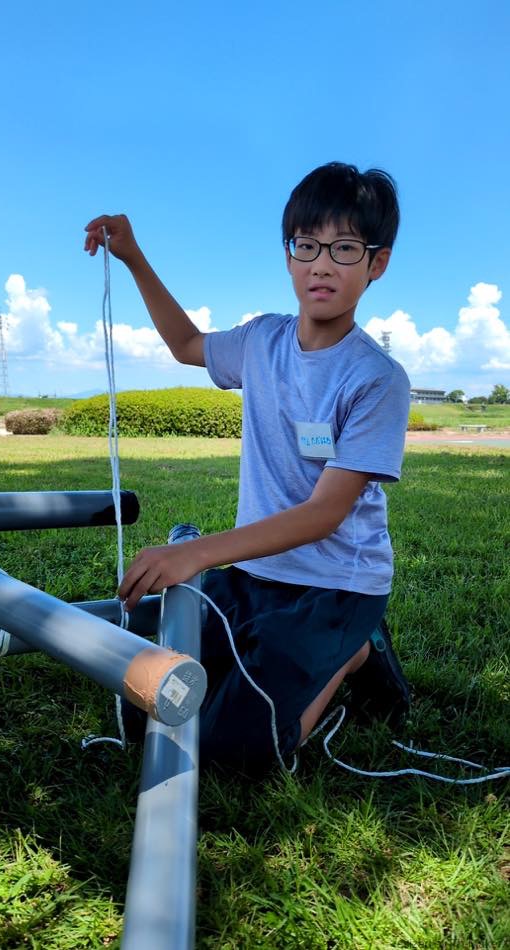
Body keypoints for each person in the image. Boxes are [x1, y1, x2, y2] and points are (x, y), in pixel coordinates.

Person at [84, 161, 411, 775]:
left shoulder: (376, 379)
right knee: (147, 705)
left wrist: (196, 553)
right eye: (306, 245)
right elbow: (186, 345)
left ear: (377, 263)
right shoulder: (261, 341)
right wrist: (132, 257)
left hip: (336, 585)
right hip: (255, 572)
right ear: (289, 256)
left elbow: (324, 514)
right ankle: (335, 653)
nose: (321, 265)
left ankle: (355, 651)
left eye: (344, 248)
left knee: (238, 751)